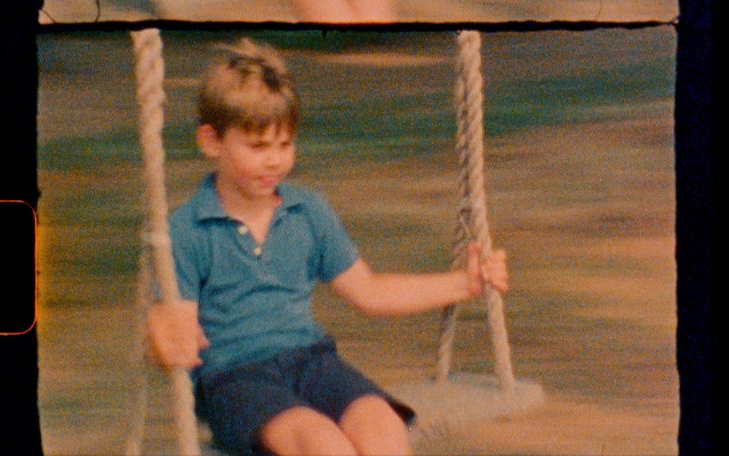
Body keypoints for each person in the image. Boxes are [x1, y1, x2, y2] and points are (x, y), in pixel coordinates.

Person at [147, 38, 509, 456]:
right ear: (211, 142)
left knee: (382, 424)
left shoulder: (308, 212)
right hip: (235, 379)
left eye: (284, 145)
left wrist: (465, 284)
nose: (274, 161)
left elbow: (370, 293)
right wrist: (164, 340)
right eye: (257, 146)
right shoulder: (187, 230)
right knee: (321, 443)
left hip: (312, 361)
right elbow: (171, 338)